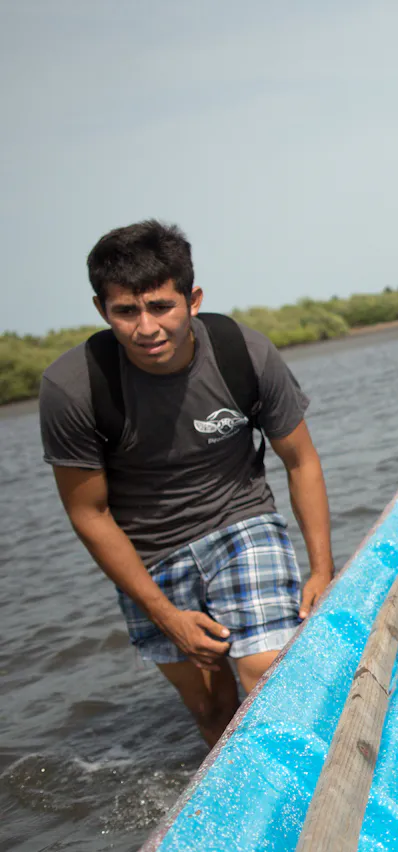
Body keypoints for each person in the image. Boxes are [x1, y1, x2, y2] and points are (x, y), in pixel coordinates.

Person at [39, 220, 334, 748]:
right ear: (102, 311)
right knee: (212, 709)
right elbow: (89, 514)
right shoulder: (73, 387)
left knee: (266, 669)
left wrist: (322, 569)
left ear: (192, 299)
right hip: (151, 556)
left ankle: (313, 788)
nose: (146, 328)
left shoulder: (242, 351)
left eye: (160, 306)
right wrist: (165, 614)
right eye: (126, 312)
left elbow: (301, 461)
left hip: (241, 522)